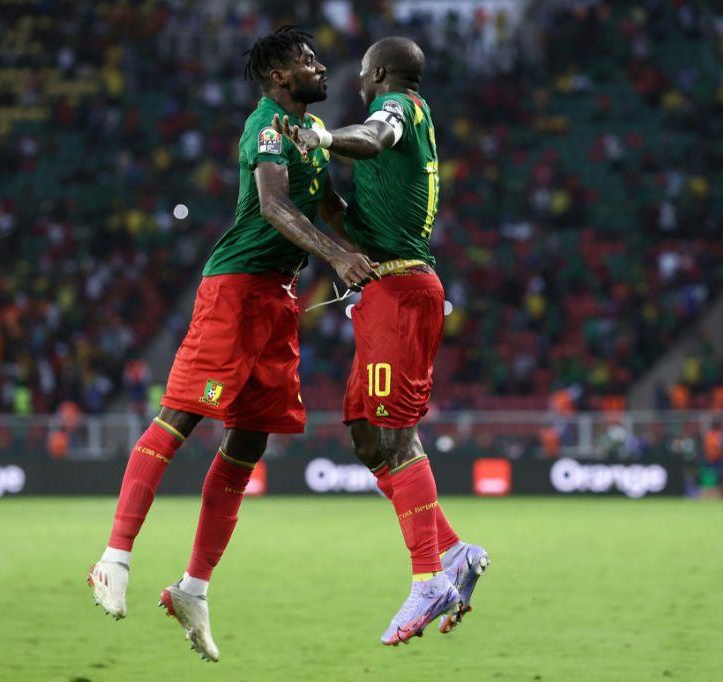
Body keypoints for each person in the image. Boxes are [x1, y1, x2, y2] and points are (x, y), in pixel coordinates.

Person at [87, 26, 379, 663]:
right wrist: (337, 257)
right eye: (308, 61)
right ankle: (114, 559)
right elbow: (275, 207)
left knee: (249, 442)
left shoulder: (310, 138)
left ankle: (193, 587)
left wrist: (373, 249)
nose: (321, 66)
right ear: (279, 76)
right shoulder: (267, 127)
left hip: (276, 299)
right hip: (234, 290)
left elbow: (328, 206)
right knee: (183, 415)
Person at [277, 36, 488, 646]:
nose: (360, 84)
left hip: (402, 292)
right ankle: (453, 553)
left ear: (380, 73)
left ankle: (427, 577)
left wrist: (321, 138)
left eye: (364, 75)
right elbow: (352, 222)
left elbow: (370, 137)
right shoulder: (389, 148)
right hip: (381, 294)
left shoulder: (400, 108)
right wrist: (315, 189)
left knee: (396, 436)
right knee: (367, 434)